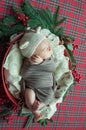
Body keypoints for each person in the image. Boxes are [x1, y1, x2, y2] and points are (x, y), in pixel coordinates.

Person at [19, 28, 57, 121]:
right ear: (34, 55)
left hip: (46, 88)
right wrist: (31, 64)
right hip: (31, 86)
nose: (49, 48)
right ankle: (35, 111)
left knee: (50, 96)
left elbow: (52, 68)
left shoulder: (49, 61)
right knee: (28, 94)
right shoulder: (28, 62)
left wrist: (41, 63)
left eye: (48, 46)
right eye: (45, 49)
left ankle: (40, 105)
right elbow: (24, 74)